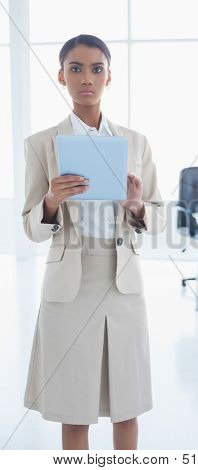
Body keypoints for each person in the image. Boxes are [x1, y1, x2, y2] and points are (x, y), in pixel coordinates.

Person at [22, 34, 165, 450]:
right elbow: (30, 228)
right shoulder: (40, 145)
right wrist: (51, 200)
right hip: (70, 283)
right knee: (74, 409)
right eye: (76, 68)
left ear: (109, 76)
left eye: (96, 68)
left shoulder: (136, 142)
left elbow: (158, 217)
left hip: (122, 282)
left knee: (127, 405)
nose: (87, 78)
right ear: (61, 76)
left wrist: (137, 206)